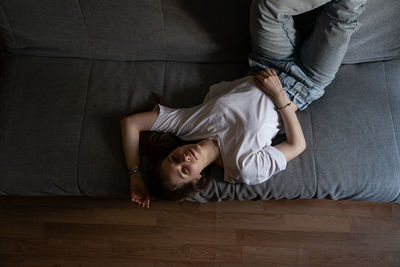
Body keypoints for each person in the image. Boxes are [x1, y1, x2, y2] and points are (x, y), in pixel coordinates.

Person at [120, 0, 367, 208]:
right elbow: (296, 145)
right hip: (305, 84)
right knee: (344, 13)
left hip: (268, 60)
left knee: (266, 5)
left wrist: (135, 176)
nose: (185, 159)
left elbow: (130, 124)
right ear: (196, 180)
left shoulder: (187, 125)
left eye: (174, 159)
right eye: (185, 170)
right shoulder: (243, 169)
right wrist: (280, 96)